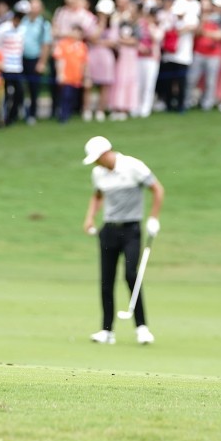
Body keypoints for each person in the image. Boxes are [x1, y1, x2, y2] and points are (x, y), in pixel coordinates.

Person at [81, 135, 164, 345]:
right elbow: (97, 196)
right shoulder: (98, 173)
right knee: (106, 280)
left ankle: (142, 328)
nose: (97, 162)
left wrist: (153, 218)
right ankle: (106, 331)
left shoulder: (133, 166)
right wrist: (90, 217)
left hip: (131, 230)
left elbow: (157, 189)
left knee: (130, 274)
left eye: (98, 158)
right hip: (108, 230)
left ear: (106, 153)